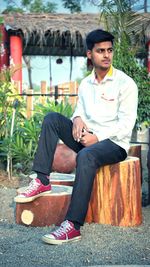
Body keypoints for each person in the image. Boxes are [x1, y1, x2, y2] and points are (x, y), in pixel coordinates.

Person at [14, 29, 138, 245]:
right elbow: (80, 109)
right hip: (88, 139)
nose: (106, 55)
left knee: (86, 156)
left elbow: (126, 124)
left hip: (114, 144)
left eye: (109, 50)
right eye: (101, 51)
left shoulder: (125, 83)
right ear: (90, 54)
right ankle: (42, 180)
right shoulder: (85, 84)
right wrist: (78, 118)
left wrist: (97, 137)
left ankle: (73, 225)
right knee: (52, 119)